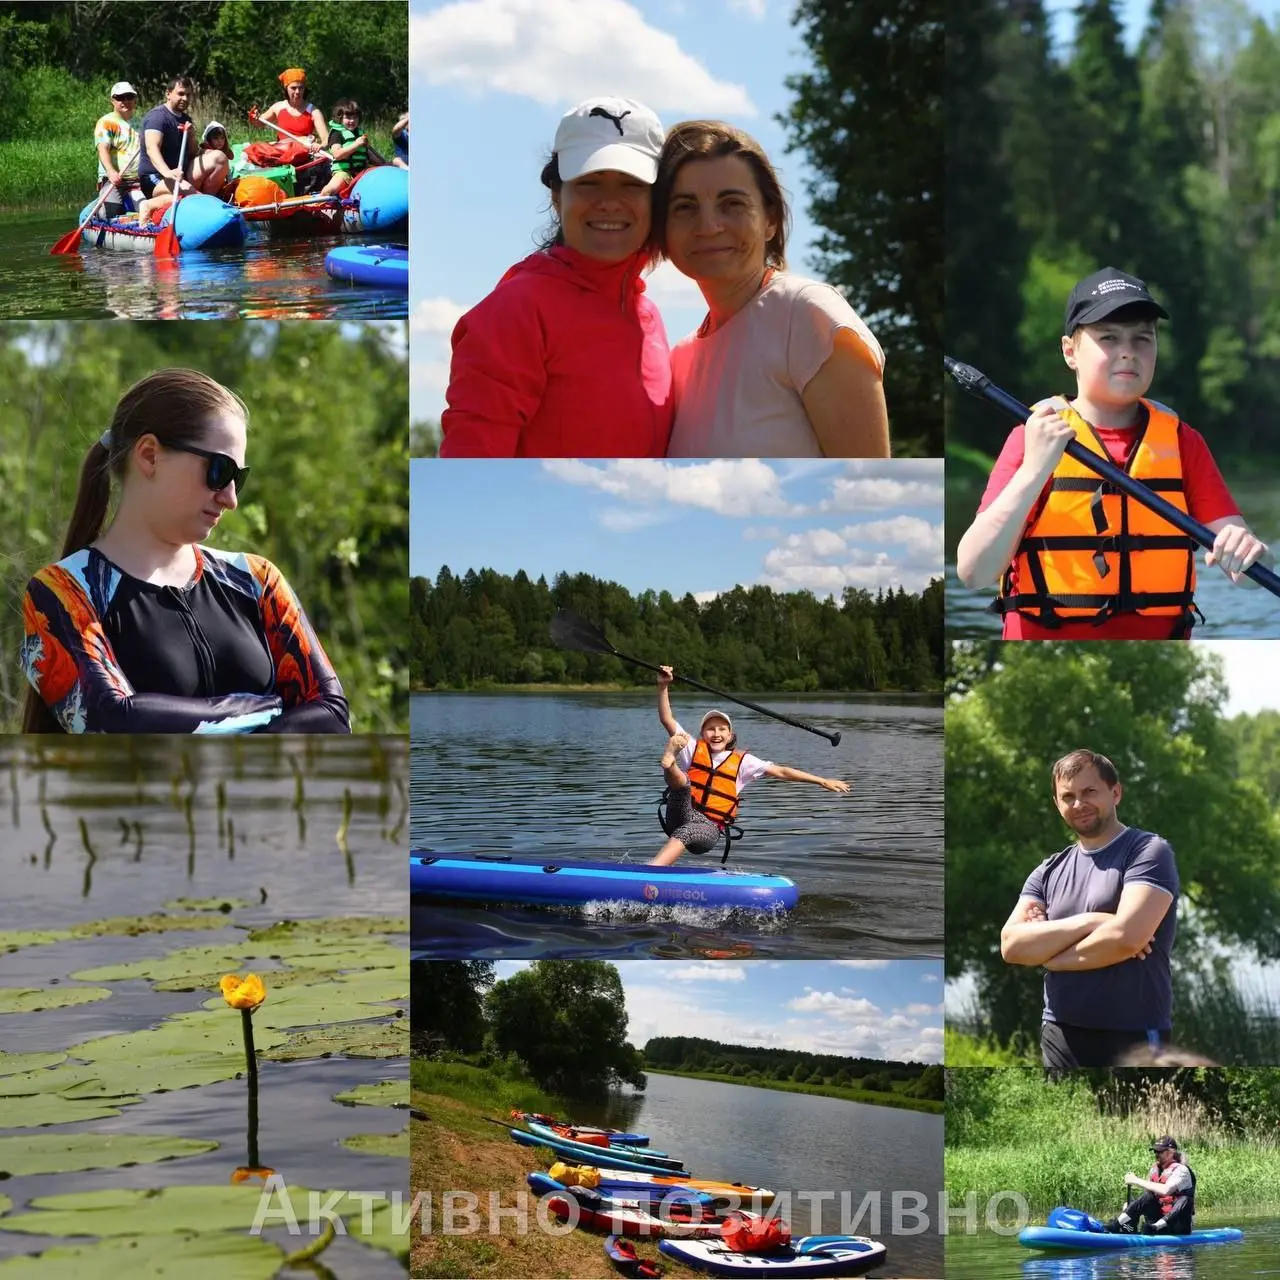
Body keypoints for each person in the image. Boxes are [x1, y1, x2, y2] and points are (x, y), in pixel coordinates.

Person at [21, 369, 350, 735]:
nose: (231, 498)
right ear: (149, 456)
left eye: (238, 478)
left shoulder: (259, 582)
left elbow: (334, 717)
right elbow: (112, 725)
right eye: (220, 470)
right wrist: (269, 709)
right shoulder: (59, 594)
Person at [955, 267, 1272, 639]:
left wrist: (1254, 554)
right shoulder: (1031, 437)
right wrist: (1034, 470)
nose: (1128, 353)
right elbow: (974, 572)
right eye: (1108, 338)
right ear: (1069, 351)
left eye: (1142, 339)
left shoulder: (1184, 442)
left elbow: (1249, 576)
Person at [439, 97, 673, 457]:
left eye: (632, 184)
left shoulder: (650, 316)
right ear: (556, 196)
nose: (610, 201)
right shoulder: (516, 310)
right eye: (589, 182)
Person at [653, 120, 888, 459]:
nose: (708, 226)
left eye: (731, 204)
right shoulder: (679, 358)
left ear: (771, 220)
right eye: (685, 207)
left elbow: (868, 486)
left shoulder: (810, 314)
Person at [999, 750, 1178, 1069]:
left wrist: (1048, 955)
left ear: (1116, 793)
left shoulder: (1148, 851)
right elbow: (1012, 946)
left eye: (1089, 792)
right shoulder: (1047, 871)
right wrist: (1095, 921)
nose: (1078, 804)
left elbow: (1126, 938)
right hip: (1059, 1032)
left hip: (1133, 1033)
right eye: (1067, 796)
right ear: (1057, 804)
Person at [652, 666, 849, 866]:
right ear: (703, 734)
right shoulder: (692, 747)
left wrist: (821, 780)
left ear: (730, 735)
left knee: (687, 831)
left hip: (709, 827)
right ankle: (669, 764)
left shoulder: (744, 763)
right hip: (680, 813)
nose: (716, 733)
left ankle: (651, 871)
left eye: (722, 729)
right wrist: (663, 686)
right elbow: (667, 719)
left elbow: (781, 771)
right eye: (710, 729)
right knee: (683, 786)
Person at [136, 77, 229, 221]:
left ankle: (204, 202)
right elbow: (151, 149)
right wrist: (167, 172)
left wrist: (196, 142)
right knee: (191, 194)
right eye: (180, 94)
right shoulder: (157, 117)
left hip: (180, 174)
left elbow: (192, 153)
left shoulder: (186, 119)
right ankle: (149, 205)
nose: (185, 98)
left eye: (188, 95)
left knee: (219, 158)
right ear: (168, 94)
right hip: (156, 177)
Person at [255, 68, 332, 194]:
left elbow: (326, 140)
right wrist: (254, 118)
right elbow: (259, 123)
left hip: (303, 153)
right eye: (293, 88)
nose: (297, 92)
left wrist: (320, 146)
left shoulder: (313, 111)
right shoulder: (278, 107)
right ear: (286, 89)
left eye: (301, 88)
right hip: (283, 152)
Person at [1104, 1138, 1195, 1235]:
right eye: (1155, 1151)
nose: (1156, 1154)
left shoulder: (1182, 1170)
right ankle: (1117, 1225)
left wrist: (1136, 1180)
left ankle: (1155, 1227)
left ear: (1171, 1153)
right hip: (1155, 1220)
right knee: (1144, 1197)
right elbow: (1147, 1198)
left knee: (1186, 1199)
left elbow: (1166, 1190)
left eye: (1160, 1151)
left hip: (1178, 1226)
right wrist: (1129, 1207)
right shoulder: (1154, 1169)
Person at [320, 99, 391, 197]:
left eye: (355, 117)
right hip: (344, 173)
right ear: (340, 118)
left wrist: (386, 165)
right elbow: (337, 154)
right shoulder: (336, 134)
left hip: (362, 171)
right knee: (330, 190)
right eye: (348, 117)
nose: (352, 121)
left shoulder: (360, 134)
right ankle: (320, 204)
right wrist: (356, 144)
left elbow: (370, 154)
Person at [94, 80, 144, 219]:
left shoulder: (142, 122)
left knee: (147, 208)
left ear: (134, 100)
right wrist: (111, 171)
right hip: (114, 180)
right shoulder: (106, 122)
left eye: (129, 97)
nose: (125, 101)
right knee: (110, 211)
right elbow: (102, 148)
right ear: (113, 101)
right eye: (120, 98)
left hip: (137, 180)